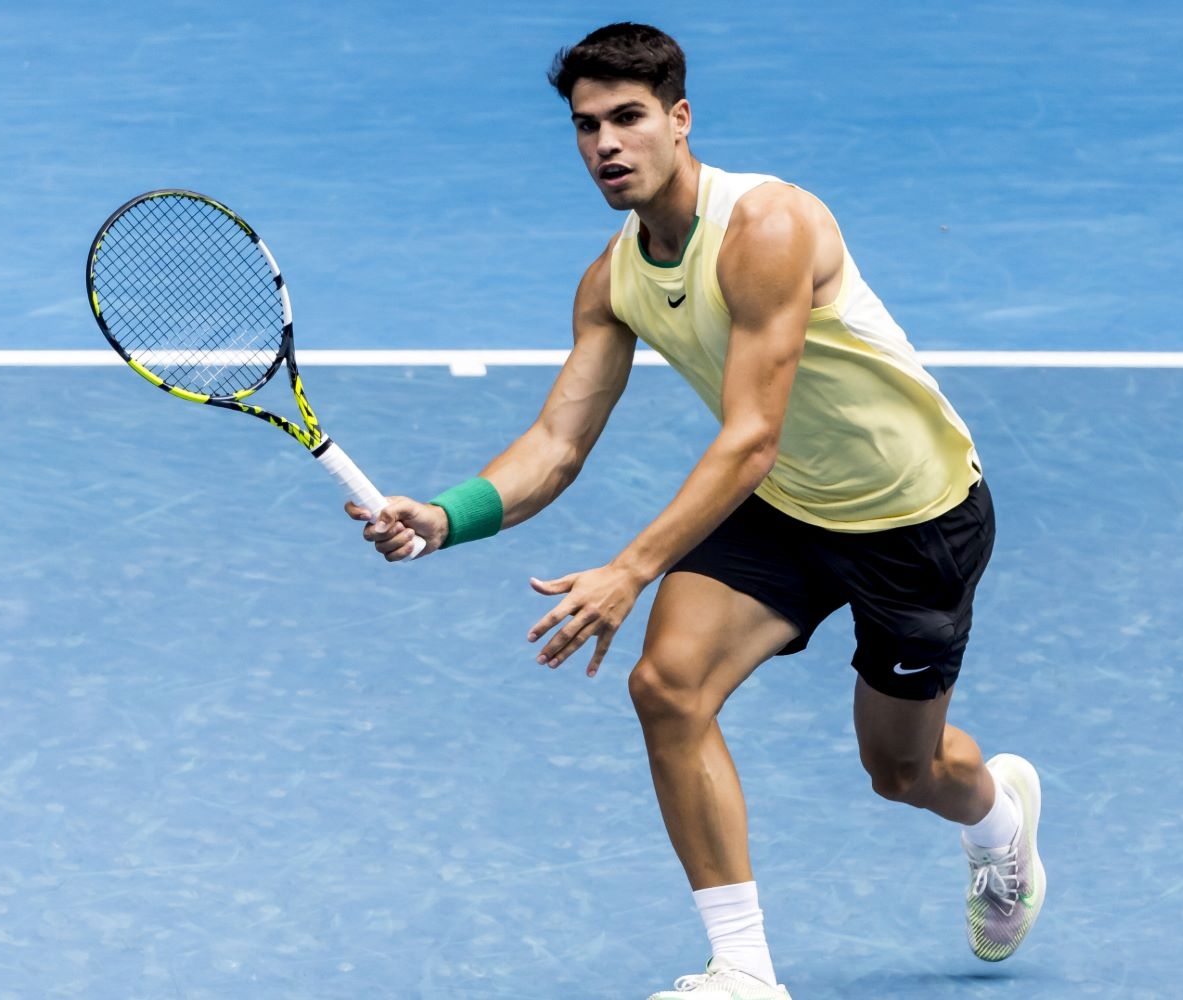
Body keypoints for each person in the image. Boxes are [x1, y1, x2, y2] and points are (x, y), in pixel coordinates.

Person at [347, 22, 1045, 1000]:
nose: (605, 144)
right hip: (786, 506)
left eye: (627, 118)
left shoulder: (767, 227)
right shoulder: (613, 279)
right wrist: (444, 515)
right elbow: (557, 443)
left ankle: (999, 821)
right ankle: (744, 969)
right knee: (667, 686)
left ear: (679, 120)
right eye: (586, 125)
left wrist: (631, 569)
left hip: (913, 519)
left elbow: (751, 434)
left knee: (902, 771)